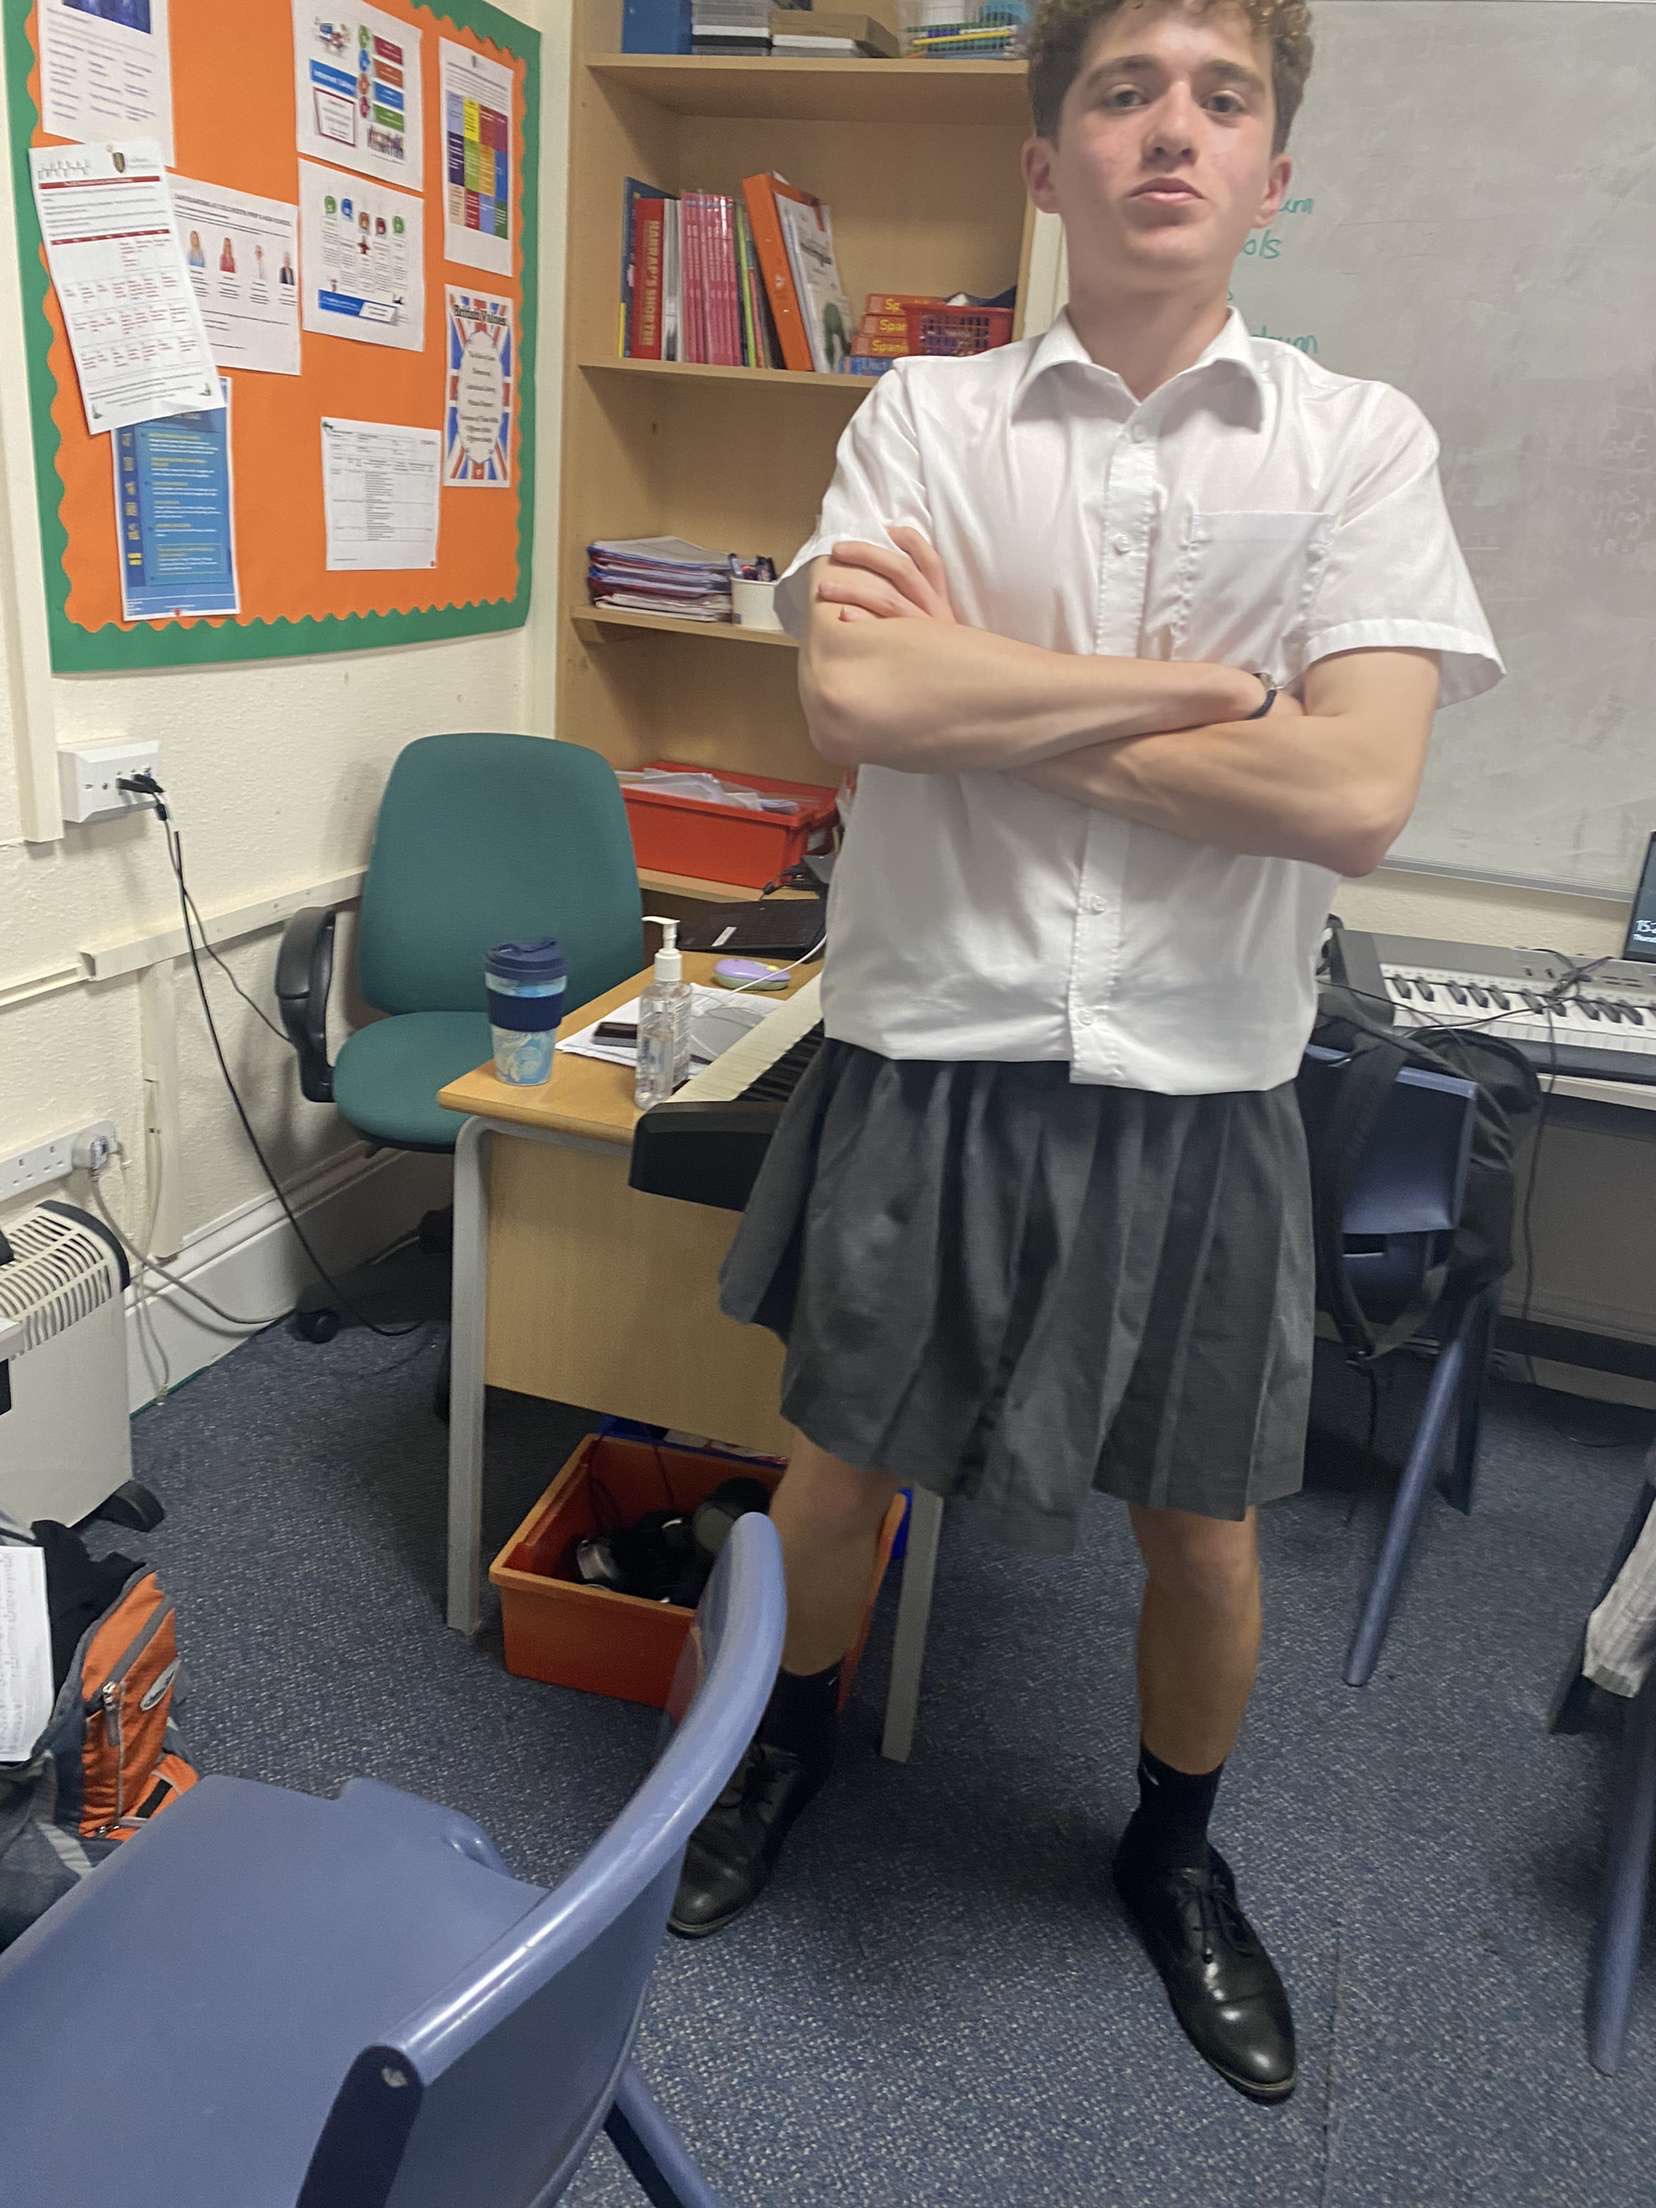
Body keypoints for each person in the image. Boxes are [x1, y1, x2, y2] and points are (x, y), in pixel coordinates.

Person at [668, 0, 1502, 2106]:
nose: (1171, 130)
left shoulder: (1357, 445)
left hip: (1202, 1080)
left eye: (1223, 98)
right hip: (933, 1049)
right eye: (1123, 91)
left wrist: (999, 697)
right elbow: (856, 704)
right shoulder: (927, 417)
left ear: (1271, 173)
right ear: (1046, 164)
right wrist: (1214, 697)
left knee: (1202, 1528)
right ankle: (780, 1757)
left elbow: (1355, 798)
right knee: (838, 1471)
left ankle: (1172, 1851)